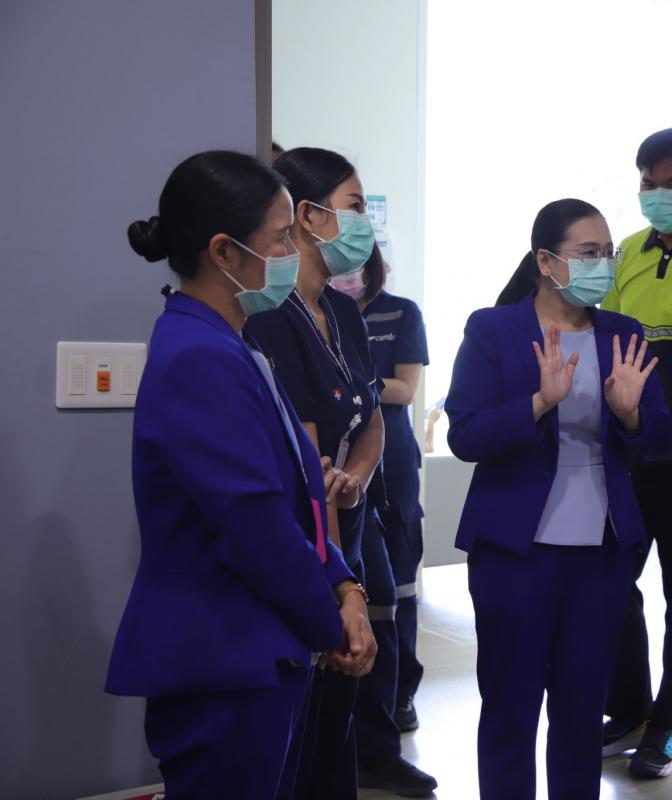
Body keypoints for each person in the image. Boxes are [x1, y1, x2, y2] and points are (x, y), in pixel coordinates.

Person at [106, 150, 376, 799]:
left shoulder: (236, 343)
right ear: (224, 252)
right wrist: (331, 622)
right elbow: (255, 523)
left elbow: (300, 491)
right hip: (224, 655)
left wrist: (345, 586)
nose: (290, 252)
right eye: (280, 238)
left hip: (257, 647)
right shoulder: (197, 357)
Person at [447, 199, 672, 800]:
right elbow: (465, 434)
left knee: (581, 708)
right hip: (514, 550)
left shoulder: (623, 332)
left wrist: (630, 414)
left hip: (602, 552)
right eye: (588, 252)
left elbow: (660, 437)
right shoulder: (493, 329)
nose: (603, 264)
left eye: (609, 253)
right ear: (546, 261)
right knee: (510, 705)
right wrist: (538, 404)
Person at [242, 147, 426, 798]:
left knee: (341, 714)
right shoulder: (270, 317)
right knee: (306, 720)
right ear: (309, 216)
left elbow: (372, 415)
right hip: (308, 538)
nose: (364, 222)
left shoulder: (345, 312)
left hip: (348, 517)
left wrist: (358, 478)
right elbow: (307, 459)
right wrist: (335, 563)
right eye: (354, 206)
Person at [599, 127, 672, 776]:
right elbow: (612, 343)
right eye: (648, 183)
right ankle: (631, 708)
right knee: (611, 586)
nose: (659, 194)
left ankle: (670, 725)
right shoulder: (629, 252)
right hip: (631, 454)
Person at [332, 244, 437, 795]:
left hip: (388, 464)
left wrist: (356, 387)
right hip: (335, 474)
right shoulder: (306, 313)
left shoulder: (400, 312)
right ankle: (354, 730)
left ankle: (397, 698)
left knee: (394, 593)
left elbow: (404, 389)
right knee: (355, 593)